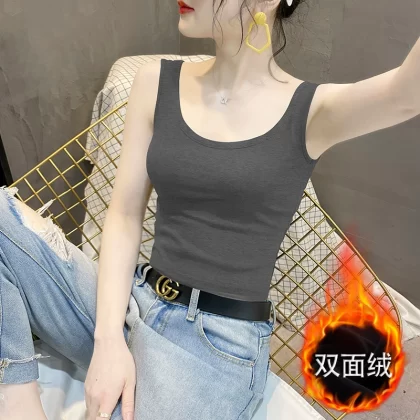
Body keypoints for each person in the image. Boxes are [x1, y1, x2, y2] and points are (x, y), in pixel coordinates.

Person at [0, 0, 419, 418]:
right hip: (131, 301)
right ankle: (18, 402)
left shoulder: (312, 111)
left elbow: (406, 94)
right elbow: (124, 215)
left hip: (214, 345)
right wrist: (108, 342)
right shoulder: (154, 82)